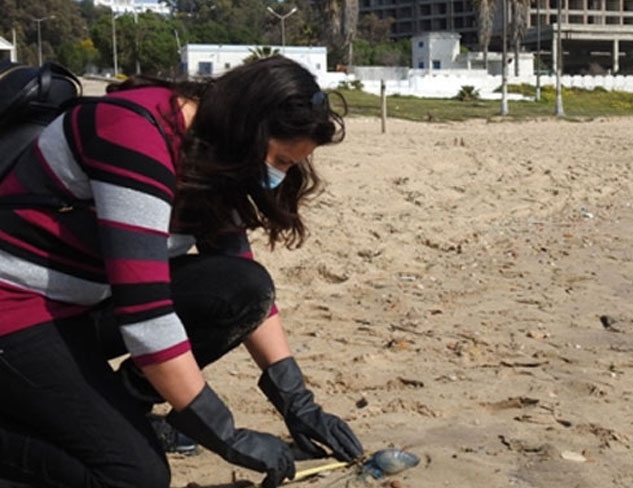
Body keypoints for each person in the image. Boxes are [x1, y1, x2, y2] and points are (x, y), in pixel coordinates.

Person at [0, 55, 363, 488]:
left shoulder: (216, 148)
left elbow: (244, 286)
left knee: (242, 289)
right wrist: (225, 434)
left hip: (83, 302)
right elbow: (145, 315)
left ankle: (123, 411)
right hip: (16, 308)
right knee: (135, 477)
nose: (279, 178)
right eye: (280, 161)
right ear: (249, 131)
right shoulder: (135, 133)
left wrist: (297, 401)